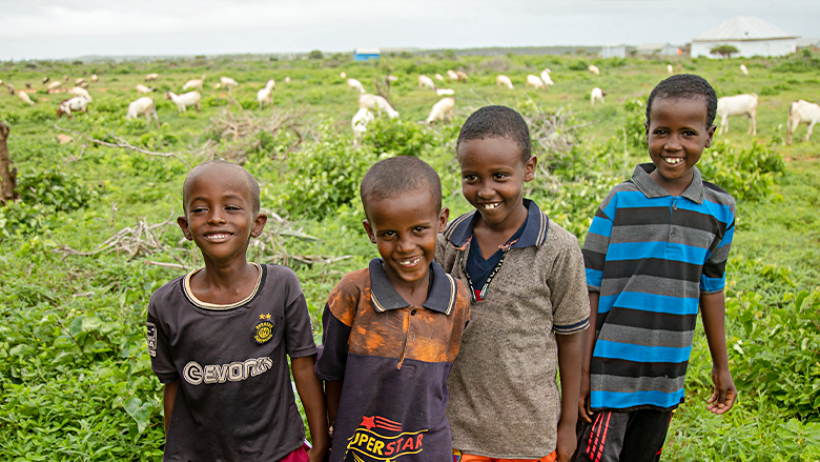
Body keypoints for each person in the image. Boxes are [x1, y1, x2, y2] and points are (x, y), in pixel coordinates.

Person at [573, 74, 738, 462]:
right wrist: (582, 374)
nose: (673, 144)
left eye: (688, 133)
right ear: (646, 131)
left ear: (709, 136)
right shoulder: (620, 201)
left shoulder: (720, 209)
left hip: (667, 378)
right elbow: (589, 289)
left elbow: (712, 288)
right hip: (608, 377)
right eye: (661, 131)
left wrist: (721, 366)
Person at [146, 161, 329, 462]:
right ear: (185, 226)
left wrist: (320, 442)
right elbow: (173, 385)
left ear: (257, 223)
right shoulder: (167, 305)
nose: (216, 219)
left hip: (278, 451)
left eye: (231, 207)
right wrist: (175, 453)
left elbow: (304, 365)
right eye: (201, 209)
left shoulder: (281, 287)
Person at [436, 105, 591, 462]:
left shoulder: (558, 249)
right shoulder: (448, 241)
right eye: (471, 178)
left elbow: (570, 342)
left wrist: (567, 425)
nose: (485, 190)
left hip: (529, 437)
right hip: (457, 433)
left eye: (500, 176)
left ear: (529, 169)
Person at [315, 156, 471, 462]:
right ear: (370, 231)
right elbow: (331, 372)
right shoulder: (351, 295)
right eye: (389, 234)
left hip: (429, 451)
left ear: (441, 221)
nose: (405, 246)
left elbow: (443, 375)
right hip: (358, 451)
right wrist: (338, 428)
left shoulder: (458, 299)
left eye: (418, 230)